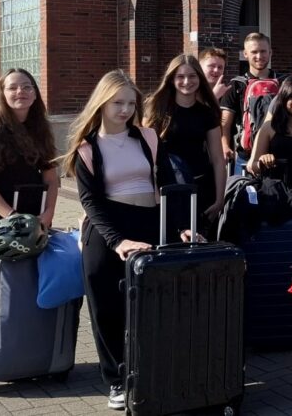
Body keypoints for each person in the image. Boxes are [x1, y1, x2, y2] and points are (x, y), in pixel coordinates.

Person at [64, 70, 196, 410]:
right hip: (107, 229)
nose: (124, 110)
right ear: (102, 103)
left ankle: (152, 371)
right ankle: (116, 380)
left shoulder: (149, 138)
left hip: (149, 222)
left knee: (151, 304)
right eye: (117, 103)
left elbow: (168, 186)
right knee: (107, 306)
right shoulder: (87, 147)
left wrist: (181, 225)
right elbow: (90, 202)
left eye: (130, 103)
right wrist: (117, 241)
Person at [144, 54, 226, 238]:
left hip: (201, 189)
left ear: (200, 78)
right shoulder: (156, 109)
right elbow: (145, 154)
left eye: (192, 76)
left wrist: (220, 198)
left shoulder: (207, 112)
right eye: (180, 76)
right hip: (167, 190)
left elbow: (218, 159)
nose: (187, 81)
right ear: (172, 79)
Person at [0, 68, 59, 227]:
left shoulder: (41, 130)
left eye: (27, 87)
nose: (20, 91)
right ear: (2, 95)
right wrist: (13, 217)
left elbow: (51, 179)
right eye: (12, 88)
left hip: (32, 215)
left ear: (34, 94)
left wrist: (49, 212)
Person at [220, 33, 279, 173]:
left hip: (277, 155)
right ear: (245, 54)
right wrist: (225, 146)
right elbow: (225, 124)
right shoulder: (236, 85)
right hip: (245, 156)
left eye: (263, 51)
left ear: (270, 52)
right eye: (254, 52)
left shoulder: (283, 83)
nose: (259, 56)